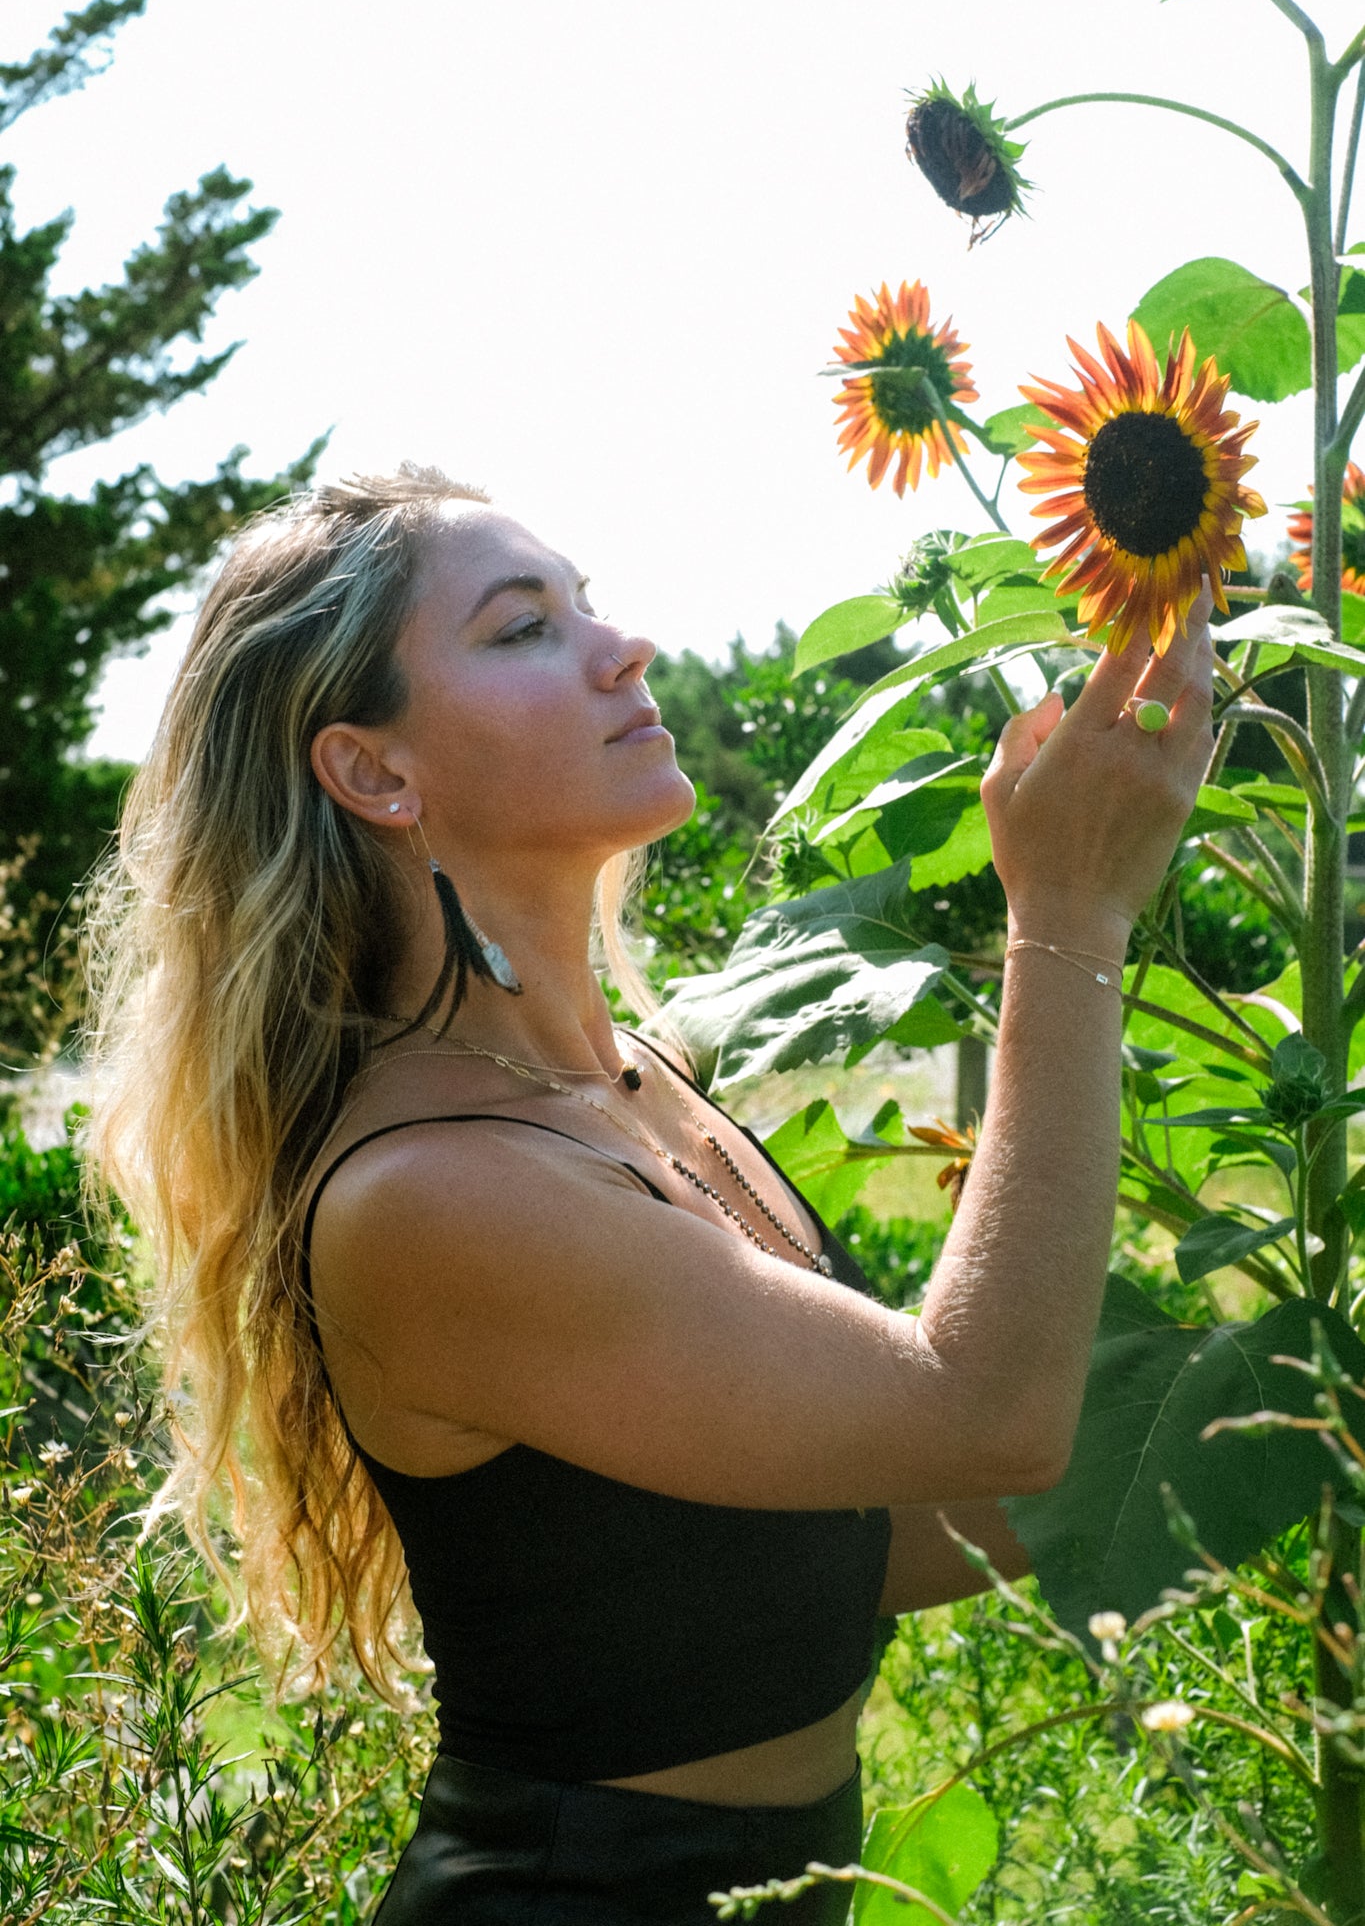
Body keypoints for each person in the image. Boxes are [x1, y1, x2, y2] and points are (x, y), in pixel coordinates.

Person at [86, 464, 1215, 1925]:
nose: (621, 648)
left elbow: (855, 1528)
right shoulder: (432, 1192)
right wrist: (1066, 915)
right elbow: (981, 1411)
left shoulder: (630, 1088)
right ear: (374, 772)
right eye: (520, 629)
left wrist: (1274, 1418)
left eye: (588, 603)